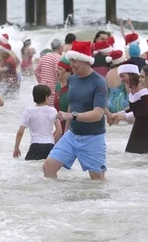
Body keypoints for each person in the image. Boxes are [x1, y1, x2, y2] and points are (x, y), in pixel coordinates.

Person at [43, 41, 108, 181]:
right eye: (70, 60)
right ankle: (58, 200)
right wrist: (66, 130)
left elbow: (98, 114)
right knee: (48, 167)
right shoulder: (72, 79)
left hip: (93, 137)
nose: (71, 64)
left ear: (86, 61)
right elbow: (72, 104)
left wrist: (72, 116)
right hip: (72, 135)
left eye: (74, 60)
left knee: (97, 180)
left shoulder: (99, 82)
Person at [109, 64, 148, 154]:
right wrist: (117, 114)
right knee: (133, 152)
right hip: (139, 125)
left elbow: (146, 111)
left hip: (147, 126)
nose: (121, 79)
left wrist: (124, 116)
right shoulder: (132, 89)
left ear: (131, 74)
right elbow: (133, 108)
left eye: (123, 76)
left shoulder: (143, 89)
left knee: (141, 152)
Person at [13, 85, 62, 161]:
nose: (50, 99)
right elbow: (59, 131)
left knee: (31, 171)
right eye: (50, 97)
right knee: (48, 170)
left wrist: (16, 148)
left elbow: (20, 132)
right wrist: (52, 142)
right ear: (46, 97)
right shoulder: (53, 110)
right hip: (50, 145)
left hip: (35, 145)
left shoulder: (28, 111)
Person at [54, 56, 72, 132]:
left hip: (70, 131)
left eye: (60, 69)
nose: (56, 71)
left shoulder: (72, 89)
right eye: (57, 68)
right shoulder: (57, 86)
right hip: (58, 129)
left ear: (69, 73)